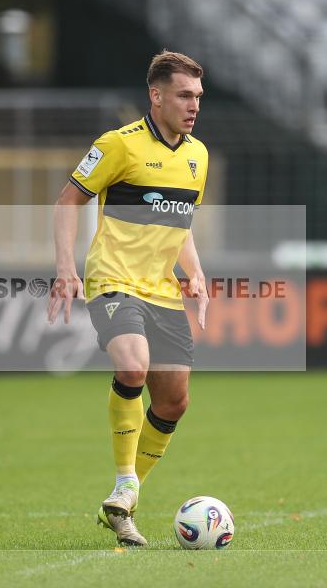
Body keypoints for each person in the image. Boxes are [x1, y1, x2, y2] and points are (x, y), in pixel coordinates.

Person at [48, 51, 209, 546]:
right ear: (156, 95)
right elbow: (67, 200)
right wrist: (65, 267)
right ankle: (124, 481)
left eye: (198, 97)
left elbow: (178, 222)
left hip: (161, 289)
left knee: (175, 401)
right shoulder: (118, 146)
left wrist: (196, 272)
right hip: (113, 279)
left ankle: (123, 501)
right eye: (184, 95)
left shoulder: (198, 156)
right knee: (133, 367)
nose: (193, 106)